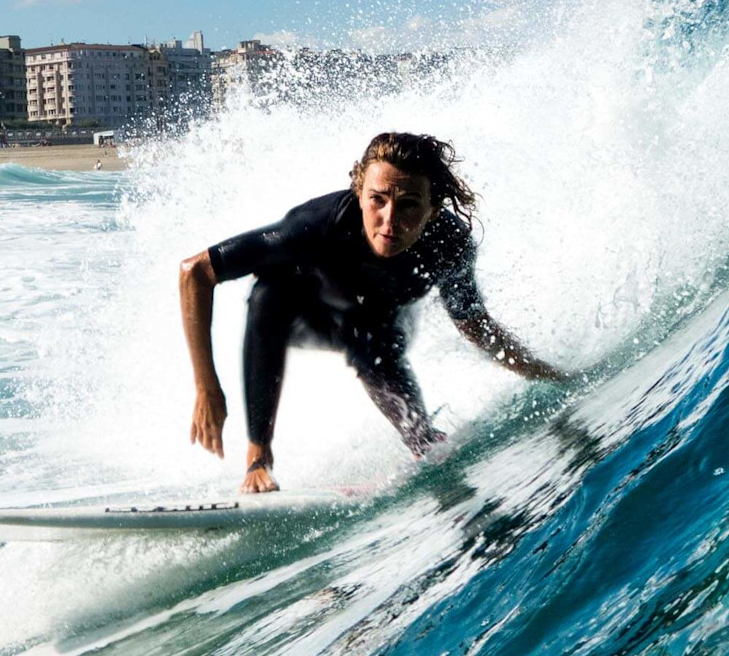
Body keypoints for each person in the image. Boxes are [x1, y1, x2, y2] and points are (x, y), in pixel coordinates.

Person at [179, 131, 566, 494]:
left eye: (409, 205)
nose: (389, 219)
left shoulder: (449, 244)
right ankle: (258, 456)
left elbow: (475, 327)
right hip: (307, 316)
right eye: (377, 199)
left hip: (375, 327)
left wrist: (547, 374)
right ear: (360, 192)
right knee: (268, 295)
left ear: (432, 210)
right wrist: (205, 386)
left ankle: (425, 443)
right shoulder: (317, 225)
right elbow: (195, 271)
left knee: (386, 371)